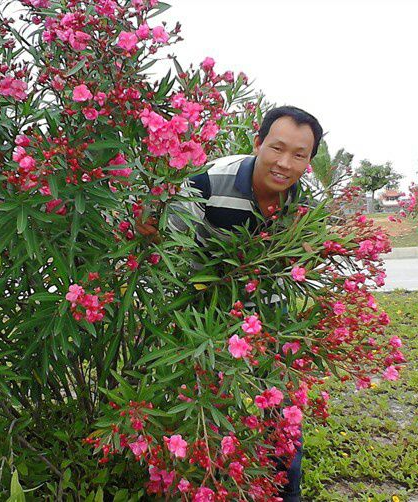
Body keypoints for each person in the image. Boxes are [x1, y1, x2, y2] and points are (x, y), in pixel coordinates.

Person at [136, 105, 323, 501]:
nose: (285, 163)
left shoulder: (306, 201)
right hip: (203, 311)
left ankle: (283, 492)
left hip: (270, 311)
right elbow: (170, 249)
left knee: (282, 407)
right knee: (204, 406)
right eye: (277, 148)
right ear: (257, 143)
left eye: (299, 155)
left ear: (309, 161)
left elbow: (305, 260)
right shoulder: (206, 184)